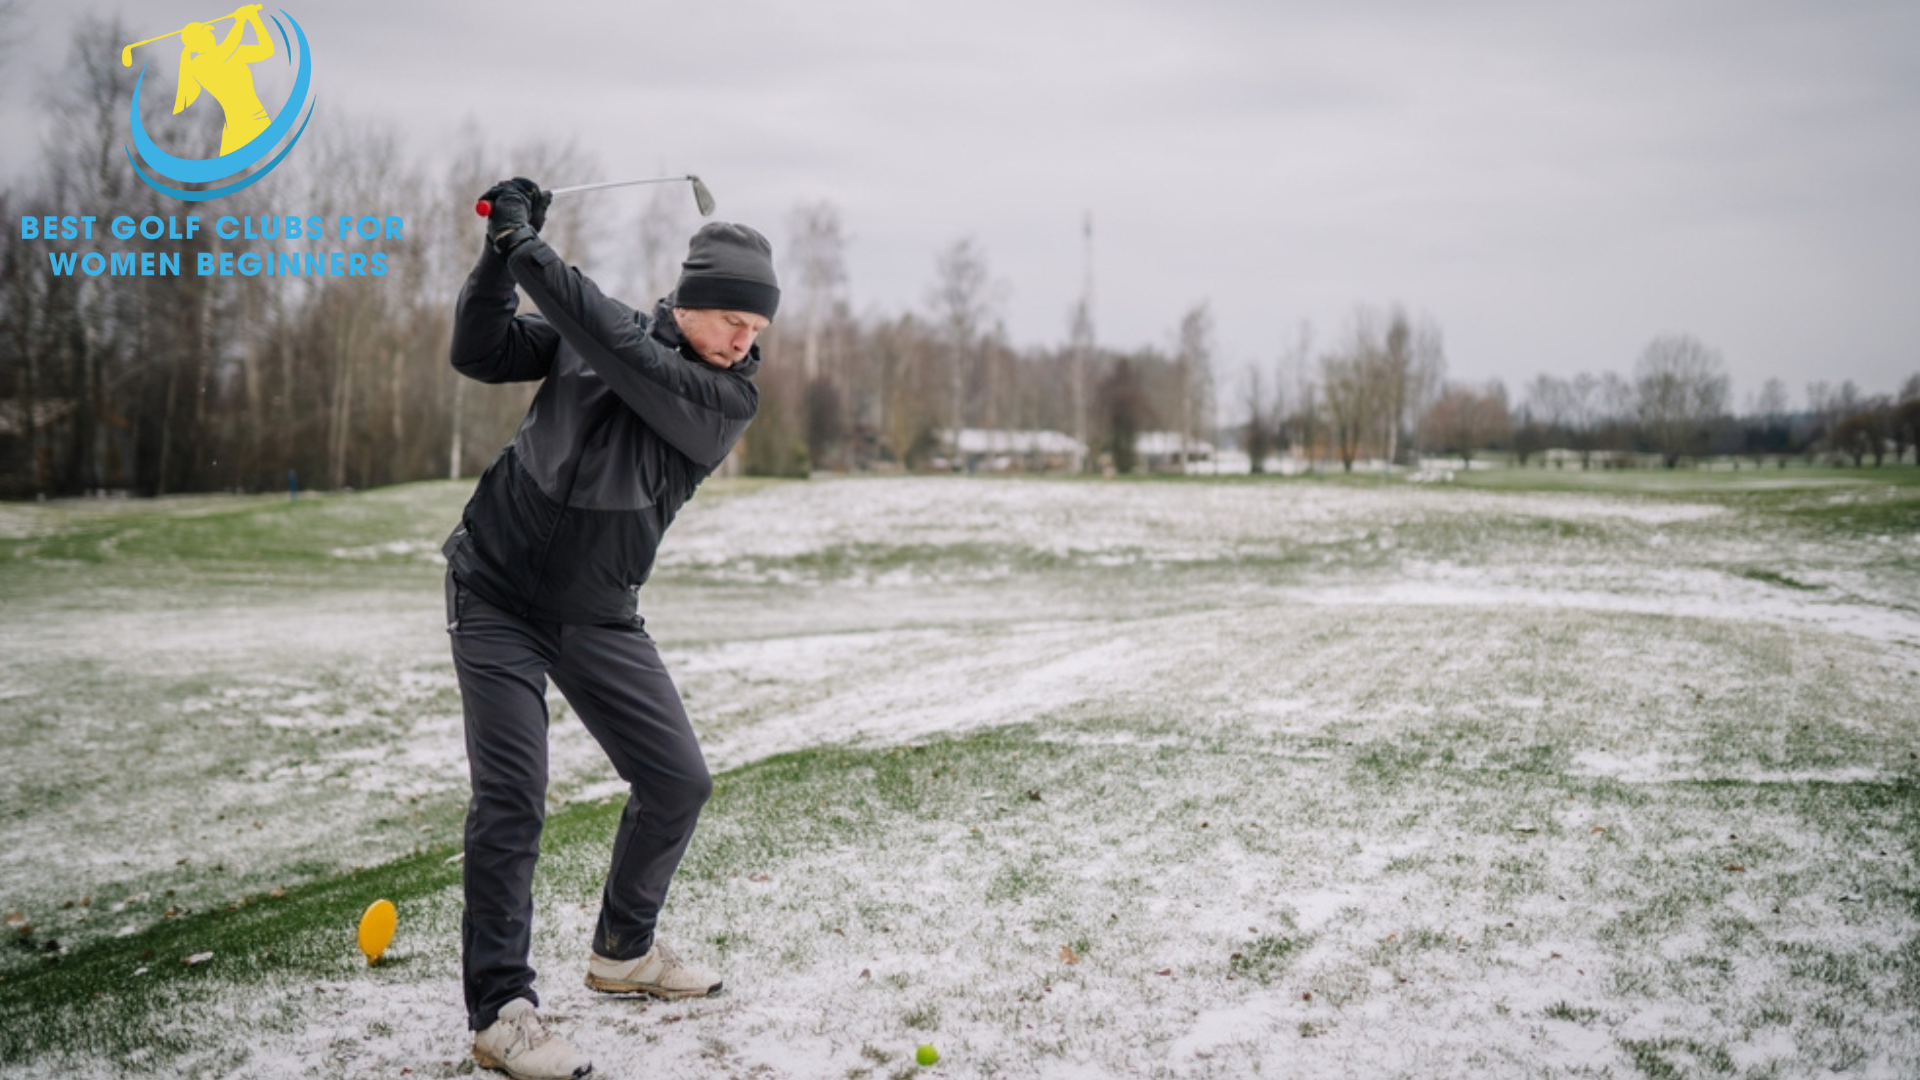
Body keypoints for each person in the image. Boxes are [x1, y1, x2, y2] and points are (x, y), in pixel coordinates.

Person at [443, 178, 777, 1080]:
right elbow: (479, 350)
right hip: (495, 591)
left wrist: (530, 250)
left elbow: (621, 347)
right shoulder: (603, 336)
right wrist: (495, 257)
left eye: (758, 329)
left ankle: (624, 952)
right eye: (735, 320)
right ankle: (502, 1010)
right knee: (513, 795)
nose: (746, 341)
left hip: (597, 614)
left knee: (678, 782)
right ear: (690, 300)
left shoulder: (720, 402)